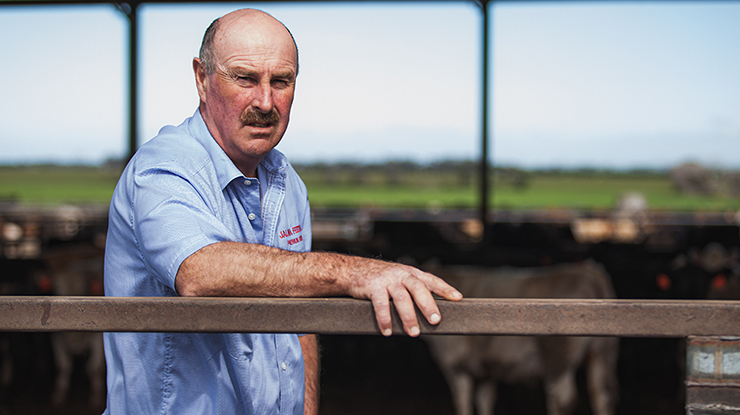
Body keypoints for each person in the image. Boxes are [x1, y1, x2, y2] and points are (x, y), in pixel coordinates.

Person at [103, 8, 462, 415]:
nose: (265, 101)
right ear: (202, 79)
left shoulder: (286, 181)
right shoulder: (162, 169)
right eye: (244, 78)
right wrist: (351, 271)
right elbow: (198, 271)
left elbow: (300, 317)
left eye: (281, 81)